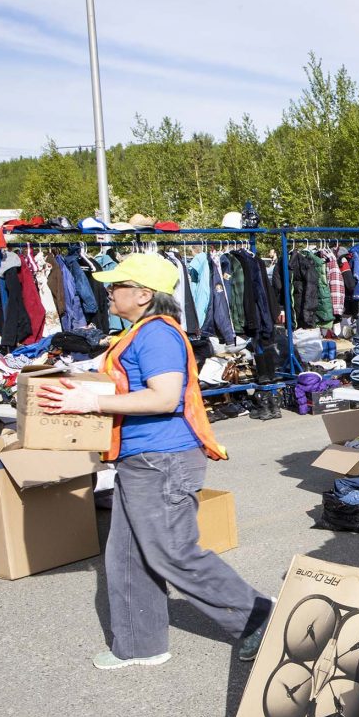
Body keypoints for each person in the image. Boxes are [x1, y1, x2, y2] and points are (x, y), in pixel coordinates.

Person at [39, 254, 273, 670]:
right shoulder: (138, 334)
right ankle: (139, 645)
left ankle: (259, 618)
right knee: (126, 555)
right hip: (142, 459)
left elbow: (164, 397)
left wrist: (90, 401)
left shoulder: (158, 335)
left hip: (161, 460)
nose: (108, 291)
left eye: (117, 285)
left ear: (144, 295)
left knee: (171, 552)